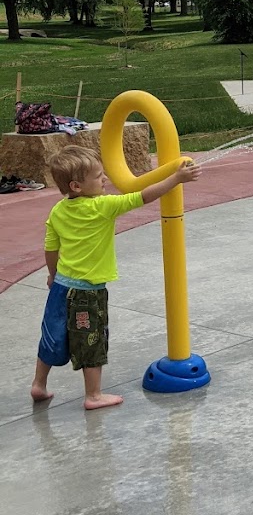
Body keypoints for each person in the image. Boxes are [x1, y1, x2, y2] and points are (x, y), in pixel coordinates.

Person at [30, 145, 201, 410]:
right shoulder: (103, 206)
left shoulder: (58, 210)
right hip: (88, 293)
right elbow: (143, 196)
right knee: (92, 342)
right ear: (77, 186)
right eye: (98, 177)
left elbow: (51, 248)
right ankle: (94, 395)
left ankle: (39, 385)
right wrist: (177, 179)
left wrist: (52, 276)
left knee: (52, 336)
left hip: (61, 286)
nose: (105, 180)